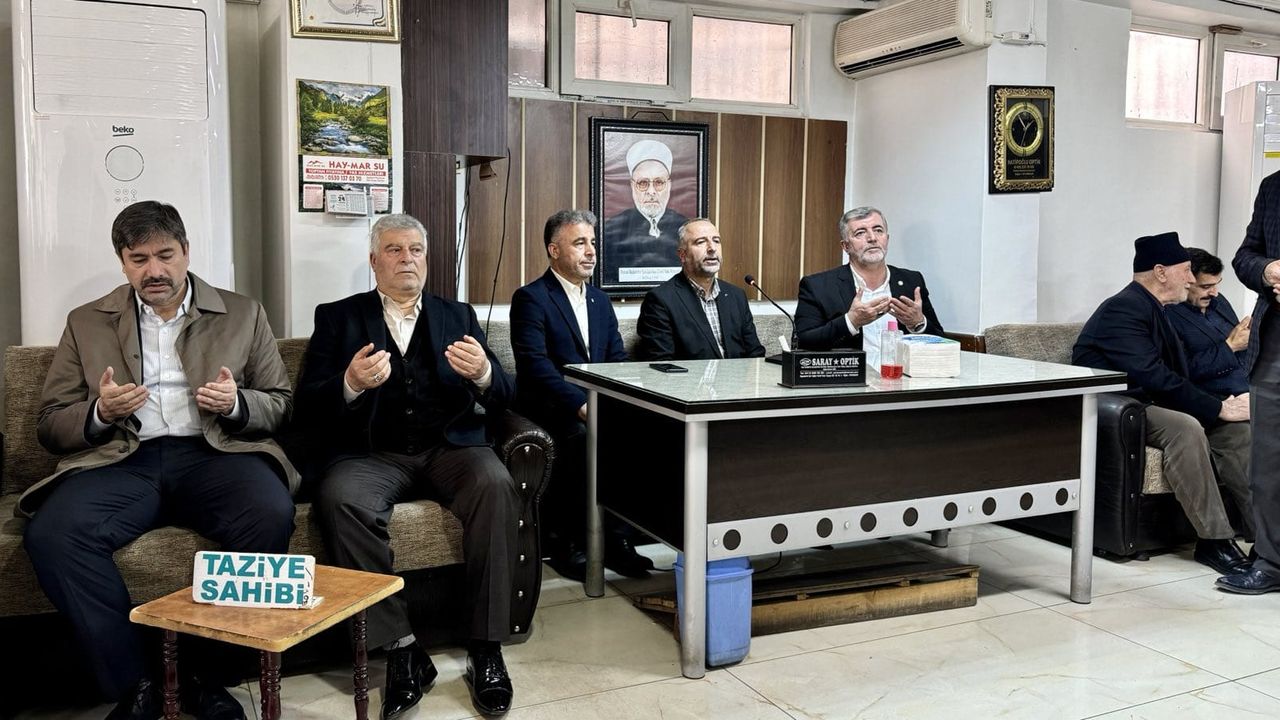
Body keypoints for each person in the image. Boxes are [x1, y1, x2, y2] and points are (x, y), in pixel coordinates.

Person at [21, 201, 298, 720]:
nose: (154, 270)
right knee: (54, 534)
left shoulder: (243, 312)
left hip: (215, 453)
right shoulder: (86, 322)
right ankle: (138, 683)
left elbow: (280, 404)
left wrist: (236, 404)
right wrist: (99, 413)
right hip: (123, 459)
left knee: (269, 512)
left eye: (165, 255)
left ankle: (207, 678)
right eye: (139, 258)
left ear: (186, 251)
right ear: (122, 262)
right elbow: (50, 423)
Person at [295, 214, 517, 717]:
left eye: (415, 250)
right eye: (394, 250)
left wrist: (484, 373)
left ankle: (486, 646)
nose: (406, 259)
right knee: (342, 499)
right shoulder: (337, 317)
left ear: (426, 259)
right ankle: (402, 649)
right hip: (374, 452)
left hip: (449, 446)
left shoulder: (458, 315)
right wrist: (349, 383)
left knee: (496, 484)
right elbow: (306, 405)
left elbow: (505, 393)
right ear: (374, 261)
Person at [1072, 232, 1253, 576]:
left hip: (1152, 400)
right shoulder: (1123, 308)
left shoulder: (1159, 308)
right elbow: (1153, 376)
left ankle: (1268, 540)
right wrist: (1217, 408)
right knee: (1185, 428)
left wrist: (1221, 407)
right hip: (1120, 406)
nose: (1190, 279)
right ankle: (1214, 540)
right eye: (1185, 271)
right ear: (1160, 272)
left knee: (1237, 433)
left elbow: (1177, 376)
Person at [509, 209, 654, 582]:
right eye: (579, 243)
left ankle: (617, 541)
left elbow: (617, 359)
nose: (590, 252)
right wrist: (581, 405)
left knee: (640, 432)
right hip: (551, 408)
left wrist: (624, 399)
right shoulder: (531, 298)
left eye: (592, 243)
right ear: (554, 250)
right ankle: (566, 543)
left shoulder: (600, 301)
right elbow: (535, 366)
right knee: (581, 438)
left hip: (598, 404)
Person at [1223, 170, 1280, 594]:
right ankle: (1270, 561)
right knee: (1267, 466)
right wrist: (1268, 270)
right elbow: (1245, 256)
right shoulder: (1273, 186)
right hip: (1273, 348)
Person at [794, 207, 944, 368]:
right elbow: (805, 341)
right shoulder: (818, 286)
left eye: (878, 230)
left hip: (903, 378)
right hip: (850, 379)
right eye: (860, 233)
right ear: (845, 246)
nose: (872, 238)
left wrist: (918, 323)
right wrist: (851, 322)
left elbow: (941, 342)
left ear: (887, 239)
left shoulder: (911, 281)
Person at [635, 218, 765, 361]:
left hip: (738, 375)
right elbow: (662, 364)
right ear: (682, 255)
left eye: (716, 241)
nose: (712, 248)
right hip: (691, 376)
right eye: (701, 242)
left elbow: (755, 354)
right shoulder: (660, 300)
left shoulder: (736, 296)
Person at [1165, 248, 1253, 401]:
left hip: (1255, 389)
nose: (1214, 293)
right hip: (1221, 399)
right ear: (1185, 282)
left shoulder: (1219, 301)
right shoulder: (1167, 315)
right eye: (1205, 287)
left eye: (1216, 284)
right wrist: (1231, 346)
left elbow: (1242, 348)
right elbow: (1183, 371)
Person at [601, 139, 689, 286]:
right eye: (643, 183)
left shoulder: (686, 227)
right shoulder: (611, 230)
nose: (651, 191)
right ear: (632, 186)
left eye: (659, 182)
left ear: (669, 185)